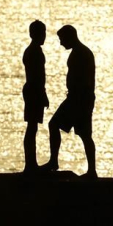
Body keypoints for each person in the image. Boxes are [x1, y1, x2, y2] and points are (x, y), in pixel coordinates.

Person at [40, 25, 97, 178]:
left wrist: (77, 98)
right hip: (78, 98)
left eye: (62, 39)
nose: (61, 43)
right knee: (84, 134)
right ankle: (91, 170)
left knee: (59, 126)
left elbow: (84, 80)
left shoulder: (81, 53)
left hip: (79, 99)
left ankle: (55, 162)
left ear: (70, 37)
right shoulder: (80, 52)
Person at [22, 20, 50, 172]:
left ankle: (31, 162)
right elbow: (37, 76)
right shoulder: (34, 52)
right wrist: (42, 94)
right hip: (33, 90)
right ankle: (30, 163)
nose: (44, 36)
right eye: (42, 33)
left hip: (33, 89)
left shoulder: (32, 51)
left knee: (32, 127)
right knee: (32, 127)